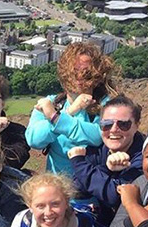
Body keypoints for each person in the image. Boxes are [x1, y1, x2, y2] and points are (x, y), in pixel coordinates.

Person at [26, 42, 120, 176]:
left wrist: (55, 118)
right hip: (57, 192)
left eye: (87, 72)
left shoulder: (107, 105)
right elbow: (34, 140)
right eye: (74, 72)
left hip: (92, 193)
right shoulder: (53, 103)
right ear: (64, 73)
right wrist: (70, 111)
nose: (80, 77)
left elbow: (99, 136)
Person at [68, 94, 145, 227]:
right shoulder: (99, 148)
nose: (114, 129)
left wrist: (79, 162)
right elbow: (76, 187)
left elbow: (115, 196)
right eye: (106, 124)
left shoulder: (146, 155)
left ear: (136, 126)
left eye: (124, 124)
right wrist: (106, 168)